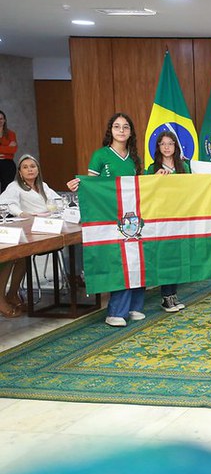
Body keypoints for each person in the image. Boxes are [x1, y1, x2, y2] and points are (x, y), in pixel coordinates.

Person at [66, 113, 145, 328]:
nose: (121, 130)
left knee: (136, 258)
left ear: (131, 132)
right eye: (117, 126)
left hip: (131, 218)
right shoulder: (100, 155)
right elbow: (92, 186)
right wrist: (79, 184)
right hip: (108, 217)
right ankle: (115, 311)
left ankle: (134, 306)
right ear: (110, 130)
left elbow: (141, 188)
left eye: (126, 127)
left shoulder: (134, 158)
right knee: (119, 261)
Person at [0, 154, 61, 317]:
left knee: (23, 258)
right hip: (24, 230)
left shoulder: (43, 186)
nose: (29, 169)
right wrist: (23, 213)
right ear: (19, 172)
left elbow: (57, 200)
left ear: (38, 170)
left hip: (44, 228)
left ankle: (12, 294)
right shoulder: (15, 186)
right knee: (13, 257)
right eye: (25, 167)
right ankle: (2, 299)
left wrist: (54, 209)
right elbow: (6, 204)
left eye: (32, 166)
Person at [146, 131, 189, 312]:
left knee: (177, 258)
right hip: (160, 219)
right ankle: (165, 297)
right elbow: (145, 191)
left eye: (170, 143)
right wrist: (155, 179)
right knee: (165, 258)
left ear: (175, 146)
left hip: (179, 218)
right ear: (158, 147)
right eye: (162, 144)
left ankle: (173, 294)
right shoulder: (152, 168)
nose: (166, 147)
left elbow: (194, 187)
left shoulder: (184, 166)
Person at [0, 110, 18, 193]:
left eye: (1, 119)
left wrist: (4, 149)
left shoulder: (11, 134)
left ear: (4, 120)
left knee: (6, 190)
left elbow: (13, 150)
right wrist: (7, 147)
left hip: (8, 164)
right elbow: (9, 149)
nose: (0, 121)